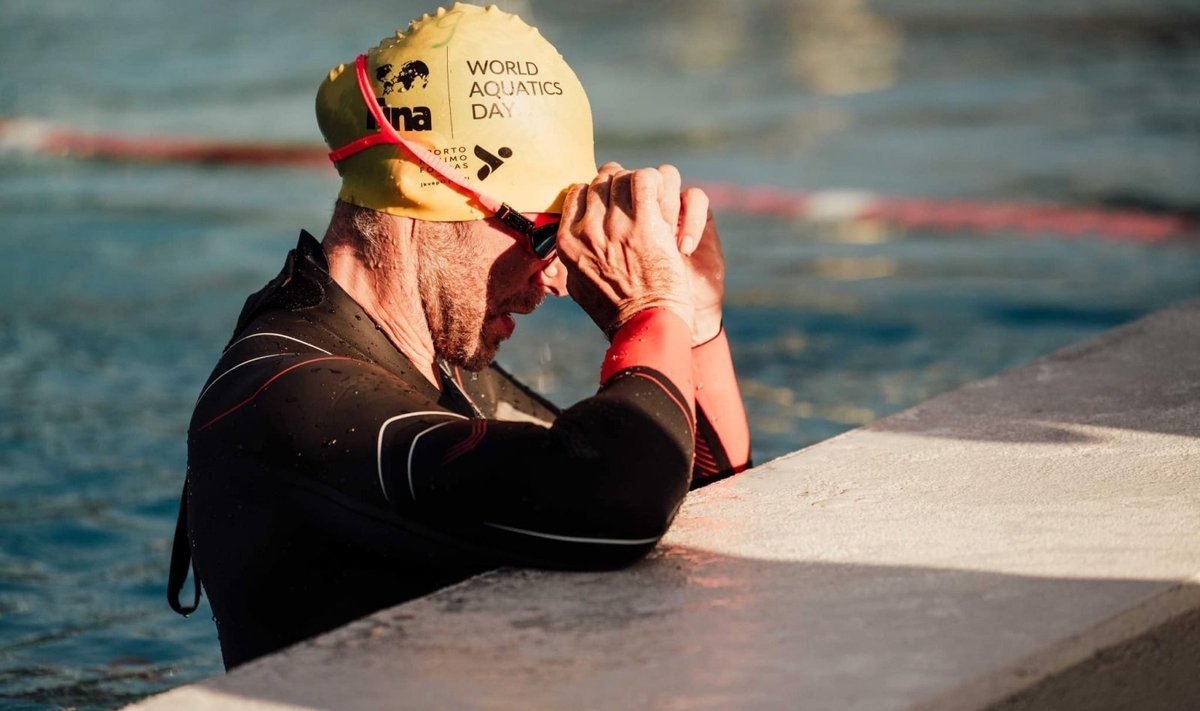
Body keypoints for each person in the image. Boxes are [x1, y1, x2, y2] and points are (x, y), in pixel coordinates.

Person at [167, 2, 750, 670]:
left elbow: (697, 506)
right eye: (542, 232)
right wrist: (648, 312)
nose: (560, 277)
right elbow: (616, 499)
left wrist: (695, 320)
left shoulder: (434, 367)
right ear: (428, 192)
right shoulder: (283, 394)